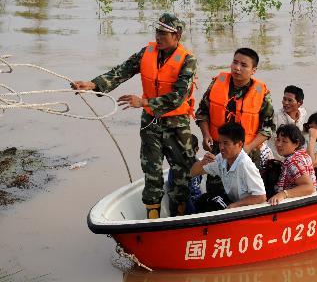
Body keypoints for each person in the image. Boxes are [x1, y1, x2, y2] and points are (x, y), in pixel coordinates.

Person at [71, 13, 197, 219]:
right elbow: (122, 71)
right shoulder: (146, 52)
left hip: (177, 125)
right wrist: (93, 84)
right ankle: (153, 221)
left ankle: (179, 218)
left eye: (164, 33)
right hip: (150, 123)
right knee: (152, 174)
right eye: (157, 31)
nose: (158, 36)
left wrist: (144, 102)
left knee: (182, 175)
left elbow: (178, 96)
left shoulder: (188, 60)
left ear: (177, 36)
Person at [195, 48, 275, 193]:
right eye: (235, 62)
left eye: (244, 65)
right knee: (215, 192)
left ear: (253, 70)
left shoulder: (262, 93)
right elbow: (202, 113)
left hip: (247, 152)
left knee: (247, 192)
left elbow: (268, 128)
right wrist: (206, 135)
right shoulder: (216, 84)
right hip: (218, 149)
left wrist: (248, 147)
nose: (237, 68)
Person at [190, 122, 267, 211]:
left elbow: (261, 197)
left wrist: (234, 205)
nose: (221, 147)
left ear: (240, 144)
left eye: (226, 143)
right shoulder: (221, 158)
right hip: (233, 202)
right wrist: (202, 162)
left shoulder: (246, 165)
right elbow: (192, 173)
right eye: (220, 143)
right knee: (203, 200)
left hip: (247, 210)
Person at [268, 124, 317, 205]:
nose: (279, 144)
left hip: (295, 205)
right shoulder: (302, 154)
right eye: (278, 140)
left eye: (284, 141)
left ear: (296, 143)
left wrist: (283, 194)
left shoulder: (293, 161)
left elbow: (308, 187)